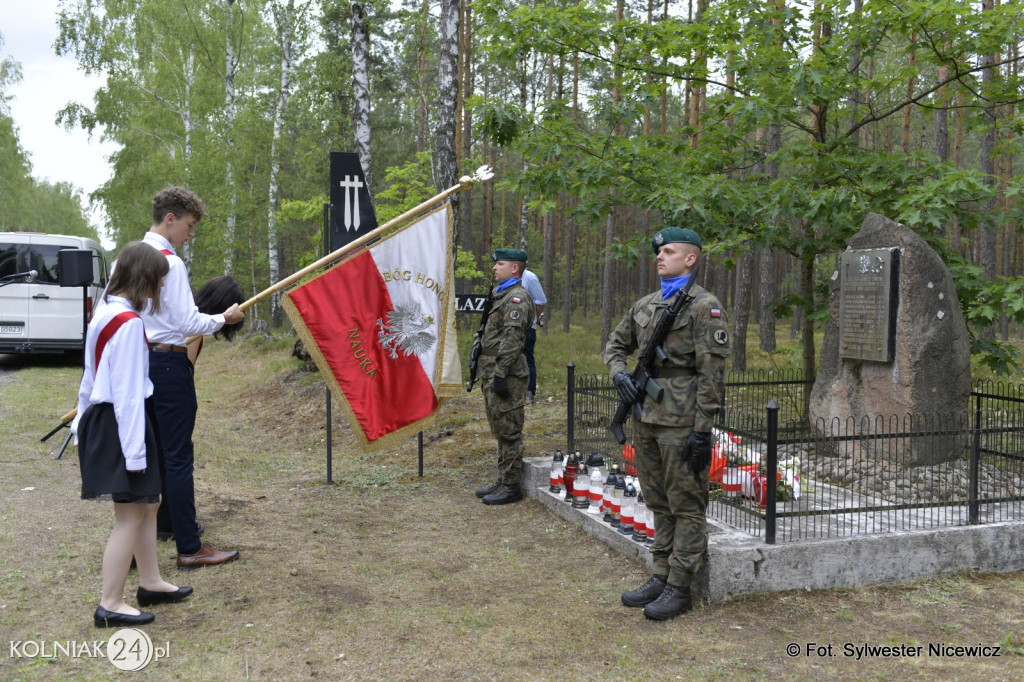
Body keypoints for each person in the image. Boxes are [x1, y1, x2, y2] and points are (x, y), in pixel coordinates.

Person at [603, 227, 731, 621]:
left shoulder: (703, 307)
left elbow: (712, 374)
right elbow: (615, 344)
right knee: (657, 499)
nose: (660, 256)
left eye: (670, 252)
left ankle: (680, 585)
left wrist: (702, 429)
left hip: (682, 420)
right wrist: (619, 373)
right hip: (645, 415)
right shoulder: (646, 304)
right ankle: (660, 573)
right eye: (659, 252)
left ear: (690, 258)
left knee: (686, 504)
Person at [72, 241, 193, 628]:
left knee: (151, 503)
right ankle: (110, 603)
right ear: (145, 279)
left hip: (108, 420)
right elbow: (125, 395)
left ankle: (151, 581)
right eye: (158, 282)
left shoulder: (106, 311)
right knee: (130, 514)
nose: (160, 290)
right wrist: (136, 455)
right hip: (121, 423)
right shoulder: (129, 324)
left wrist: (80, 423)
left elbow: (89, 378)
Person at [142, 186, 245, 568]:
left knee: (148, 456)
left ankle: (143, 542)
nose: (190, 234)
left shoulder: (128, 258)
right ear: (170, 219)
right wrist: (224, 318)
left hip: (138, 363)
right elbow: (188, 322)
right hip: (168, 365)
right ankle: (189, 545)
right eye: (188, 226)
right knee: (177, 458)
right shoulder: (169, 262)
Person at [474, 249, 536, 505]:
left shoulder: (516, 299)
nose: (494, 268)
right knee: (500, 428)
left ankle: (511, 486)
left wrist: (500, 373)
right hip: (491, 370)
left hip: (507, 373)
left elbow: (513, 340)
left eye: (500, 264)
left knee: (510, 430)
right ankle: (503, 478)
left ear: (515, 268)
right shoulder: (501, 295)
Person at [519, 267, 547, 405]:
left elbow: (541, 301)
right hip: (511, 325)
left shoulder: (529, 277)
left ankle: (529, 392)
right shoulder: (507, 277)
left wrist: (533, 319)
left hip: (527, 326)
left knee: (527, 358)